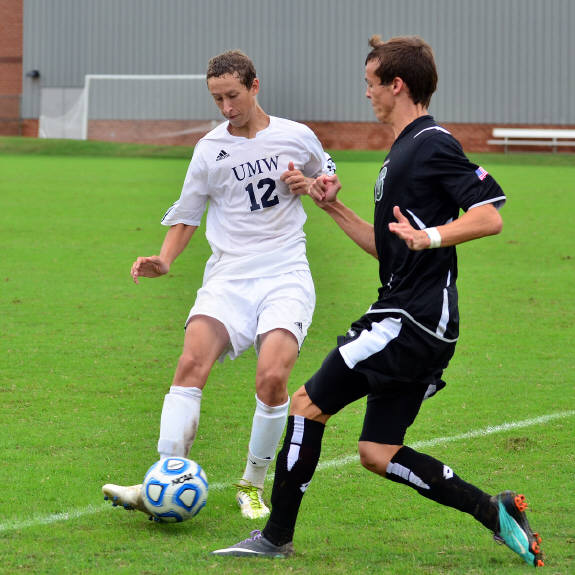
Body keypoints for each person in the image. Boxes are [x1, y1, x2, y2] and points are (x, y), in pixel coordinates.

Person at [211, 36, 544, 567]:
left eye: (371, 83)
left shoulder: (430, 142)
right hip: (418, 321)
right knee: (377, 452)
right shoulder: (402, 151)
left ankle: (274, 537)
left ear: (397, 85)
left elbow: (489, 214)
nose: (366, 93)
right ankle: (494, 511)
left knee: (305, 405)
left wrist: (430, 237)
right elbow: (387, 247)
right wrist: (332, 207)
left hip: (409, 319)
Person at [102, 50, 335, 520]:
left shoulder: (296, 135)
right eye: (217, 99)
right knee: (191, 362)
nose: (227, 107)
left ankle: (252, 484)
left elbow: (326, 178)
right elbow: (188, 212)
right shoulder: (209, 149)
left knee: (272, 376)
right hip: (228, 276)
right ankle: (162, 479)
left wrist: (315, 185)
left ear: (254, 86)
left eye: (233, 96)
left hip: (285, 274)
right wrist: (165, 260)